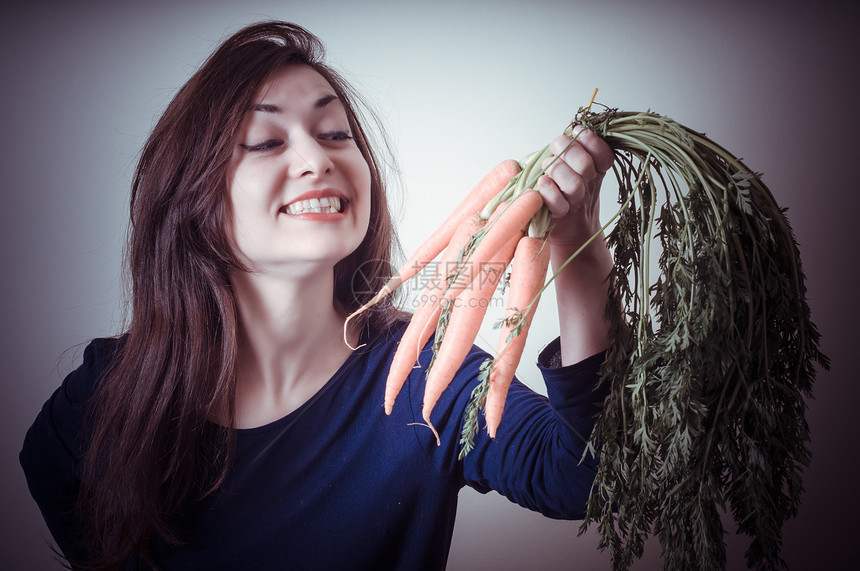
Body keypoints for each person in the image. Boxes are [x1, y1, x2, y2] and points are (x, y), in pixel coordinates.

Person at [20, 20, 616, 570]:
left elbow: (583, 480)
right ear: (193, 198)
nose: (317, 159)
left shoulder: (428, 374)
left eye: (335, 133)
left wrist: (580, 254)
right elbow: (46, 469)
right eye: (265, 142)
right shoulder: (112, 387)